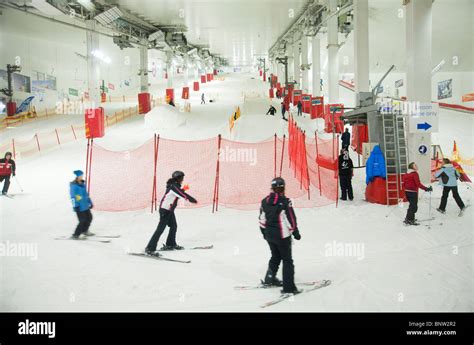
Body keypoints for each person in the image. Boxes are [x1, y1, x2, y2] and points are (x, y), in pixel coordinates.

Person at [259, 177, 301, 294]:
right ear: (283, 188)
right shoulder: (285, 201)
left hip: (269, 235)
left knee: (275, 256)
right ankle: (289, 288)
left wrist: (264, 232)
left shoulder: (265, 201)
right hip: (282, 236)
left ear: (272, 188)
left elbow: (262, 219)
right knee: (287, 261)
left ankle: (269, 278)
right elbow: (291, 219)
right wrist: (295, 232)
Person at [145, 171, 197, 255]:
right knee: (160, 229)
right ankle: (149, 248)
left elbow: (179, 192)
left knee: (173, 226)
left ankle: (170, 244)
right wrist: (192, 200)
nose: (183, 180)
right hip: (165, 210)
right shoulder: (173, 186)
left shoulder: (174, 186)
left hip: (169, 210)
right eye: (182, 178)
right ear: (178, 178)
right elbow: (181, 194)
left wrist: (183, 189)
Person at [70, 170, 94, 239]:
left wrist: (90, 202)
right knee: (82, 220)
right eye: (80, 176)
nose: (81, 177)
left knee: (89, 218)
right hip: (79, 206)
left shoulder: (83, 184)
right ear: (77, 177)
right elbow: (73, 197)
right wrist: (75, 206)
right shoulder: (74, 186)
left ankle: (84, 231)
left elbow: (86, 195)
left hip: (85, 205)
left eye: (82, 175)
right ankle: (76, 235)